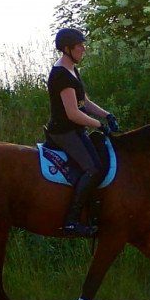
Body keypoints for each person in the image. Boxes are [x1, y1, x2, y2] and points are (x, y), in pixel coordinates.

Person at [46, 28, 119, 237]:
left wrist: (107, 115)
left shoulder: (72, 71)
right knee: (93, 168)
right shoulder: (61, 74)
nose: (83, 49)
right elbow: (73, 113)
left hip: (74, 129)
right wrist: (99, 125)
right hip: (64, 131)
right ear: (68, 49)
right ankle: (71, 222)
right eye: (80, 45)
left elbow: (84, 102)